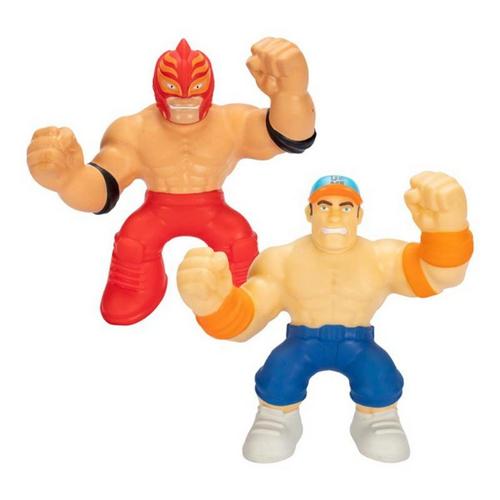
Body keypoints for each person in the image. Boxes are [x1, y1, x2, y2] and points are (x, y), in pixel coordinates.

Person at [177, 172, 473, 463]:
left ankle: (377, 418)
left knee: (378, 375)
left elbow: (438, 276)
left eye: (345, 207)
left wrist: (447, 231)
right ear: (309, 212)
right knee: (281, 372)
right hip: (302, 341)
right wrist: (215, 303)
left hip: (358, 342)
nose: (334, 216)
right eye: (324, 206)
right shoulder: (281, 260)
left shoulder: (381, 258)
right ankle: (277, 417)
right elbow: (250, 316)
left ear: (359, 215)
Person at [27, 38, 316, 325]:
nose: (185, 103)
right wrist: (69, 179)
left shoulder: (231, 122)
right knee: (133, 242)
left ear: (208, 89)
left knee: (238, 241)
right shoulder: (134, 130)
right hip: (157, 210)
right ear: (159, 89)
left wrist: (291, 95)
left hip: (212, 210)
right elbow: (103, 189)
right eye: (175, 94)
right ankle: (133, 288)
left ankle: (242, 296)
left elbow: (289, 137)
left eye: (195, 93)